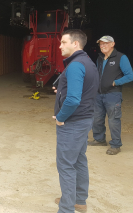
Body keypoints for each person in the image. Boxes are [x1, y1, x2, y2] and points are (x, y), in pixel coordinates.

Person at [52, 29, 99, 213]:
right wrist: (62, 91)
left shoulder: (75, 65)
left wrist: (61, 118)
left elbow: (73, 99)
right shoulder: (88, 62)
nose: (60, 46)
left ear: (75, 44)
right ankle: (79, 200)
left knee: (66, 164)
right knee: (79, 160)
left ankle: (66, 208)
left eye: (64, 42)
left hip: (73, 122)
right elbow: (85, 89)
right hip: (85, 118)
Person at [88, 35, 133, 155]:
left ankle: (116, 145)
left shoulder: (120, 57)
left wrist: (115, 82)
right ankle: (99, 139)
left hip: (113, 95)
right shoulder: (99, 58)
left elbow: (130, 75)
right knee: (97, 118)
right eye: (101, 44)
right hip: (98, 94)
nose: (102, 46)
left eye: (105, 43)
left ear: (112, 44)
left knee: (113, 120)